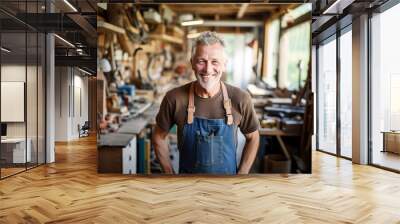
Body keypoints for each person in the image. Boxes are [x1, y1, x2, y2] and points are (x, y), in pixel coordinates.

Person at [153, 31, 259, 174]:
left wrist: (242, 174)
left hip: (228, 188)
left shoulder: (240, 99)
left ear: (224, 64)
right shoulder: (175, 98)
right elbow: (159, 136)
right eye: (201, 61)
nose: (208, 69)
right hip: (187, 189)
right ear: (192, 63)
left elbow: (253, 137)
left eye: (215, 61)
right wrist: (169, 174)